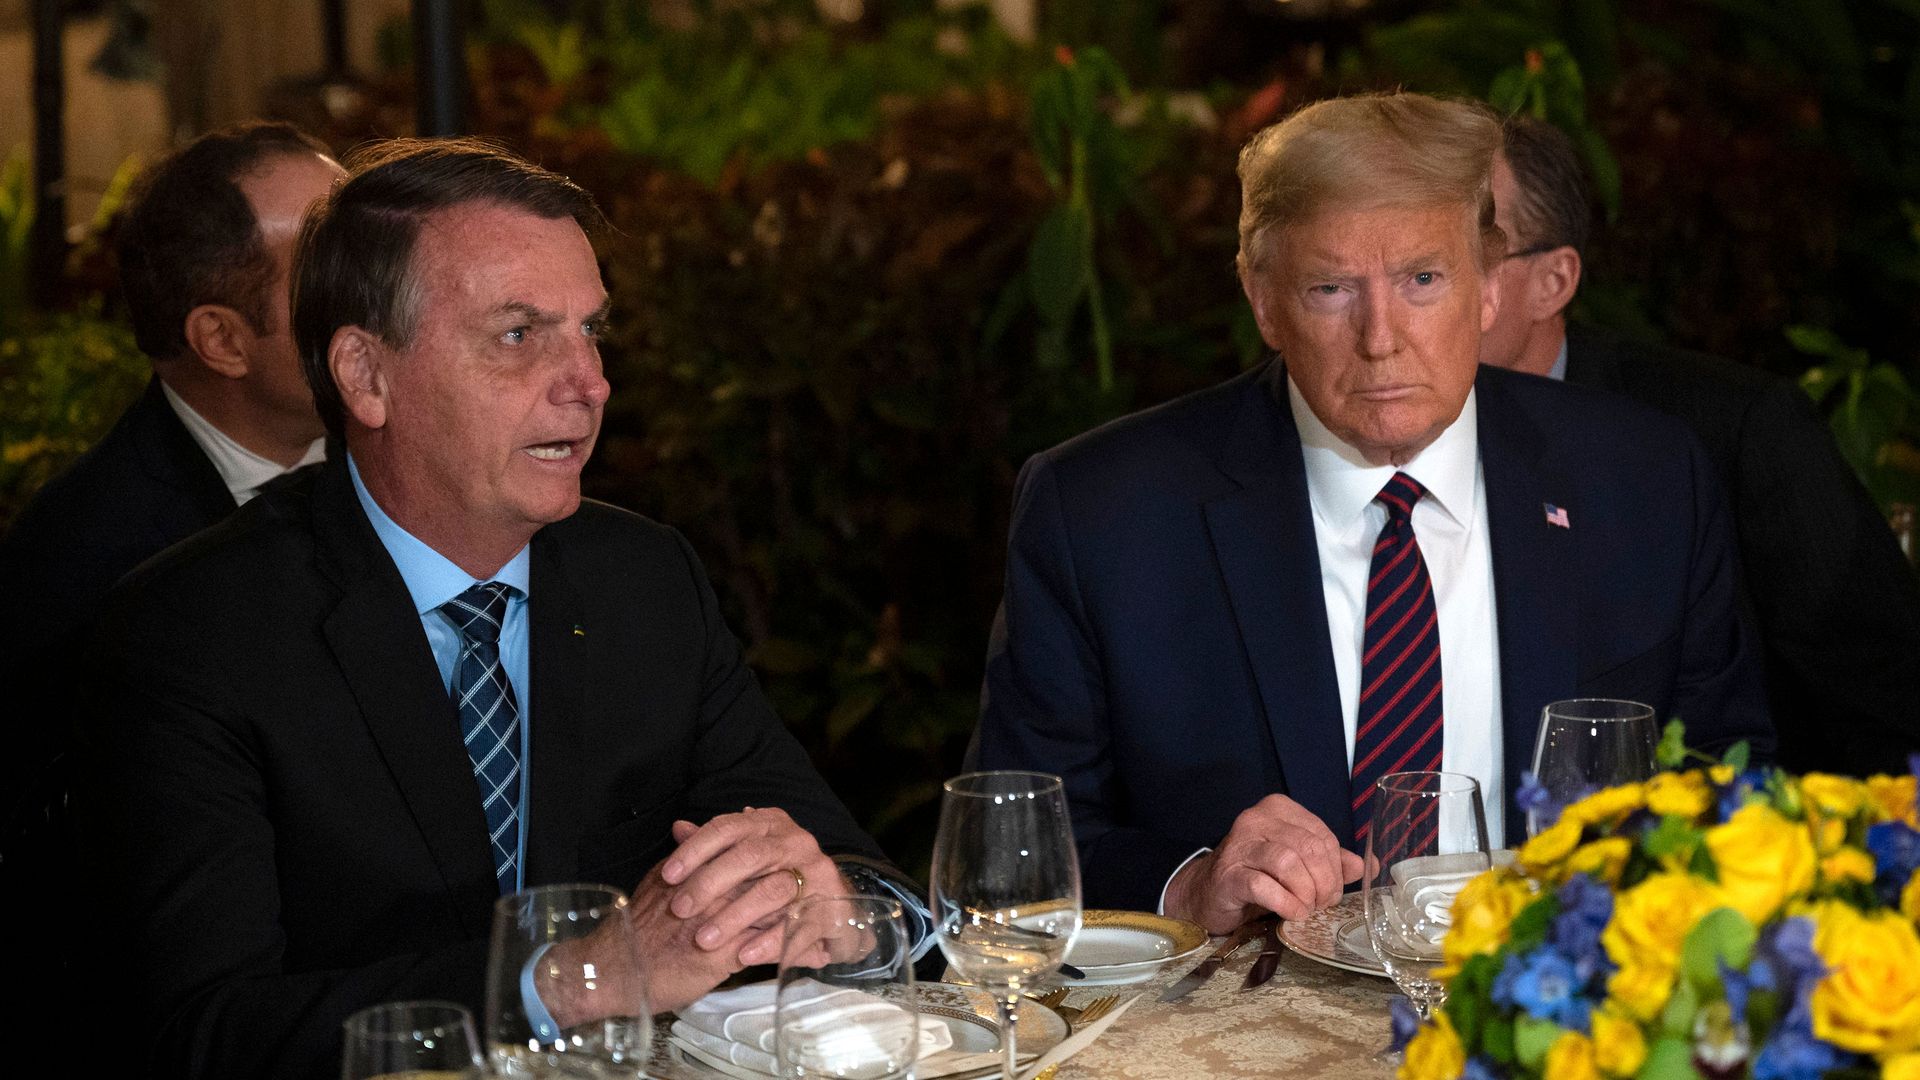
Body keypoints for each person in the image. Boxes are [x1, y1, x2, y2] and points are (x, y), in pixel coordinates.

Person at [75, 139, 918, 1080]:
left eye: (591, 331)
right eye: (520, 335)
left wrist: (843, 915)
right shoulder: (195, 634)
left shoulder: (641, 579)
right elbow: (203, 1034)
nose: (589, 383)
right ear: (366, 375)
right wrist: (576, 979)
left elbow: (872, 885)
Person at [976, 92, 1772, 933]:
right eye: (1330, 288)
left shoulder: (1644, 481)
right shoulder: (1104, 513)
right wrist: (1192, 885)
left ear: (1488, 287)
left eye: (1422, 279)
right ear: (1264, 300)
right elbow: (1007, 857)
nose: (1381, 338)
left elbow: (1731, 785)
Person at [1481, 114, 1920, 777]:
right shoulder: (1378, 438)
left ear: (1553, 282)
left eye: (1468, 254)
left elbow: (1885, 702)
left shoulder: (1733, 429)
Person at [0, 122, 342, 820]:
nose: (388, 283)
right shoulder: (89, 567)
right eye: (330, 267)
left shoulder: (419, 450)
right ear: (222, 340)